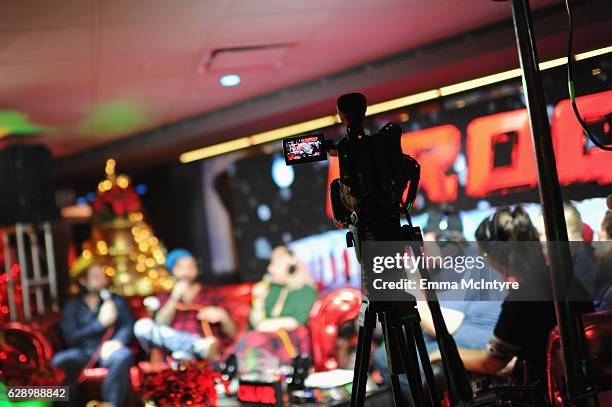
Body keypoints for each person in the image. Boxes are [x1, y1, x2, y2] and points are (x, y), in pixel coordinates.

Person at [431, 206, 593, 393]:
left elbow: (491, 363)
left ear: (492, 257)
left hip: (549, 393)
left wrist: (440, 354)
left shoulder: (522, 298)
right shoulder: (562, 279)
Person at [375, 207, 502, 405]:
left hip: (480, 343)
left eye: (426, 239)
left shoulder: (464, 264)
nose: (422, 248)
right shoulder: (454, 263)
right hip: (466, 337)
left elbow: (442, 325)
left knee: (387, 356)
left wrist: (408, 281)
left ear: (441, 240)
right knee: (391, 349)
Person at [52, 256, 134, 407]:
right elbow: (71, 337)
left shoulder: (115, 301)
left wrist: (117, 341)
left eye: (102, 275)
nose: (102, 280)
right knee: (60, 361)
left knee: (123, 356)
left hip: (109, 350)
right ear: (83, 281)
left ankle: (111, 404)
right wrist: (100, 324)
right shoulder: (72, 306)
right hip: (83, 352)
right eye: (96, 276)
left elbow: (127, 326)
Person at [133, 249, 236, 361]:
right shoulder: (166, 296)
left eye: (191, 267)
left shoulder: (210, 293)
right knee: (142, 326)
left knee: (181, 356)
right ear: (173, 270)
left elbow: (232, 334)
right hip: (177, 349)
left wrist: (223, 316)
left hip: (208, 352)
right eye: (181, 267)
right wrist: (174, 298)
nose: (187, 271)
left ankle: (197, 349)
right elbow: (161, 323)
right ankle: (196, 346)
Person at [227, 246, 318, 366]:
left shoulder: (306, 291)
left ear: (291, 269)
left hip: (290, 340)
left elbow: (295, 322)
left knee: (255, 339)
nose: (269, 269)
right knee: (250, 339)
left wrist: (263, 326)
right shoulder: (270, 288)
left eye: (275, 265)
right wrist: (258, 300)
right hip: (262, 338)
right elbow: (255, 324)